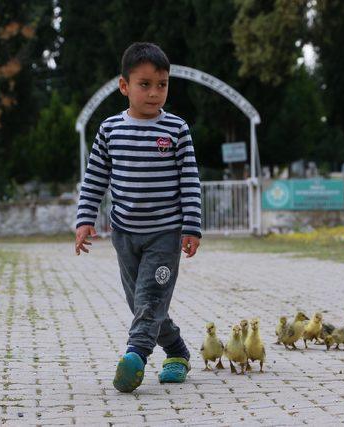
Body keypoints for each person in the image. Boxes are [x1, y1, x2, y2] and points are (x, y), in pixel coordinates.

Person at [74, 42, 202, 393]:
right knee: (139, 302)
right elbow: (95, 178)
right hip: (125, 233)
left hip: (165, 233)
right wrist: (85, 219)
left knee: (150, 298)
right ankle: (176, 351)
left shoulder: (177, 129)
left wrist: (192, 225)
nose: (154, 93)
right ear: (124, 86)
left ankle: (136, 356)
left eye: (162, 84)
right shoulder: (110, 130)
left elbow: (190, 180)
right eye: (144, 84)